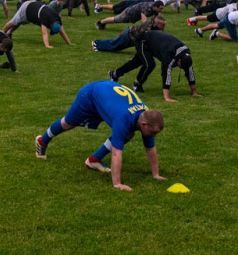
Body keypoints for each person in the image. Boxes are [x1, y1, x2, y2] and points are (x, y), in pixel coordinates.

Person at [33, 81, 165, 190]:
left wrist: (156, 175)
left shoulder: (145, 116)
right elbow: (116, 153)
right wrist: (117, 184)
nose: (154, 136)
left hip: (106, 94)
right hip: (90, 95)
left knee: (128, 134)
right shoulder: (123, 119)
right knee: (67, 123)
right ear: (143, 124)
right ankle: (42, 140)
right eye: (153, 132)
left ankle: (93, 160)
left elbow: (150, 148)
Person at [109, 26, 200, 102]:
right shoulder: (170, 55)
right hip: (143, 40)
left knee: (136, 62)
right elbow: (166, 74)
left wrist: (194, 92)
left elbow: (190, 72)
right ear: (179, 60)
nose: (179, 67)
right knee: (149, 64)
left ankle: (115, 73)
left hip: (155, 43)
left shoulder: (186, 55)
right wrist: (167, 97)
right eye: (180, 66)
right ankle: (137, 83)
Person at [4, 0, 72, 47]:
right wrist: (47, 45)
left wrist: (69, 43)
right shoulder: (45, 18)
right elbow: (44, 33)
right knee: (14, 21)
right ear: (51, 25)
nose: (49, 29)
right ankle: (2, 32)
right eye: (50, 28)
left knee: (19, 22)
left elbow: (62, 32)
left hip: (33, 9)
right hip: (26, 8)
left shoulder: (57, 19)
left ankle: (8, 33)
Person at [93, 15, 164, 53]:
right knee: (114, 44)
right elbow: (141, 38)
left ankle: (98, 45)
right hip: (127, 35)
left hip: (131, 38)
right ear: (156, 24)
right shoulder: (147, 28)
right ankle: (96, 44)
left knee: (116, 47)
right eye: (162, 25)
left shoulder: (156, 28)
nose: (163, 26)